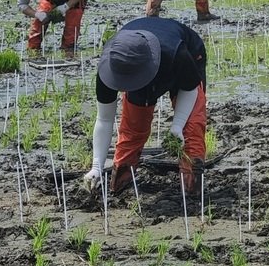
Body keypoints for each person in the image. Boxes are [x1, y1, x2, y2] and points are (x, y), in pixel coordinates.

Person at [82, 17, 208, 194]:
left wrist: (177, 125)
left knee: (191, 127)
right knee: (133, 127)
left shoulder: (176, 53)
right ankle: (120, 185)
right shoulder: (113, 63)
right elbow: (103, 119)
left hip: (184, 56)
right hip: (138, 64)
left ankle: (192, 193)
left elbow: (190, 89)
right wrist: (96, 166)